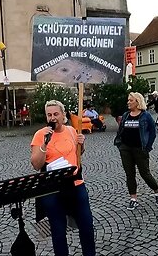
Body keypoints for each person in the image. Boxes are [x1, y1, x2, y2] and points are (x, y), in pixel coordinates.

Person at [30, 100, 95, 256]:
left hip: (76, 184)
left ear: (63, 115)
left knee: (86, 225)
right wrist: (44, 144)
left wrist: (82, 144)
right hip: (52, 188)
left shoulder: (72, 131)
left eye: (56, 114)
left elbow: (78, 154)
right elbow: (36, 165)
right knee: (58, 231)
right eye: (49, 115)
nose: (53, 118)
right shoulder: (40, 135)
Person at [115, 92, 158, 210]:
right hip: (125, 149)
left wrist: (147, 147)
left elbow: (152, 132)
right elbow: (121, 130)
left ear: (138, 102)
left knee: (145, 173)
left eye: (131, 100)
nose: (128, 102)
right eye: (128, 100)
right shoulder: (126, 115)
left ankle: (157, 192)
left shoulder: (145, 116)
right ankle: (133, 198)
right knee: (129, 174)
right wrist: (120, 144)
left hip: (140, 149)